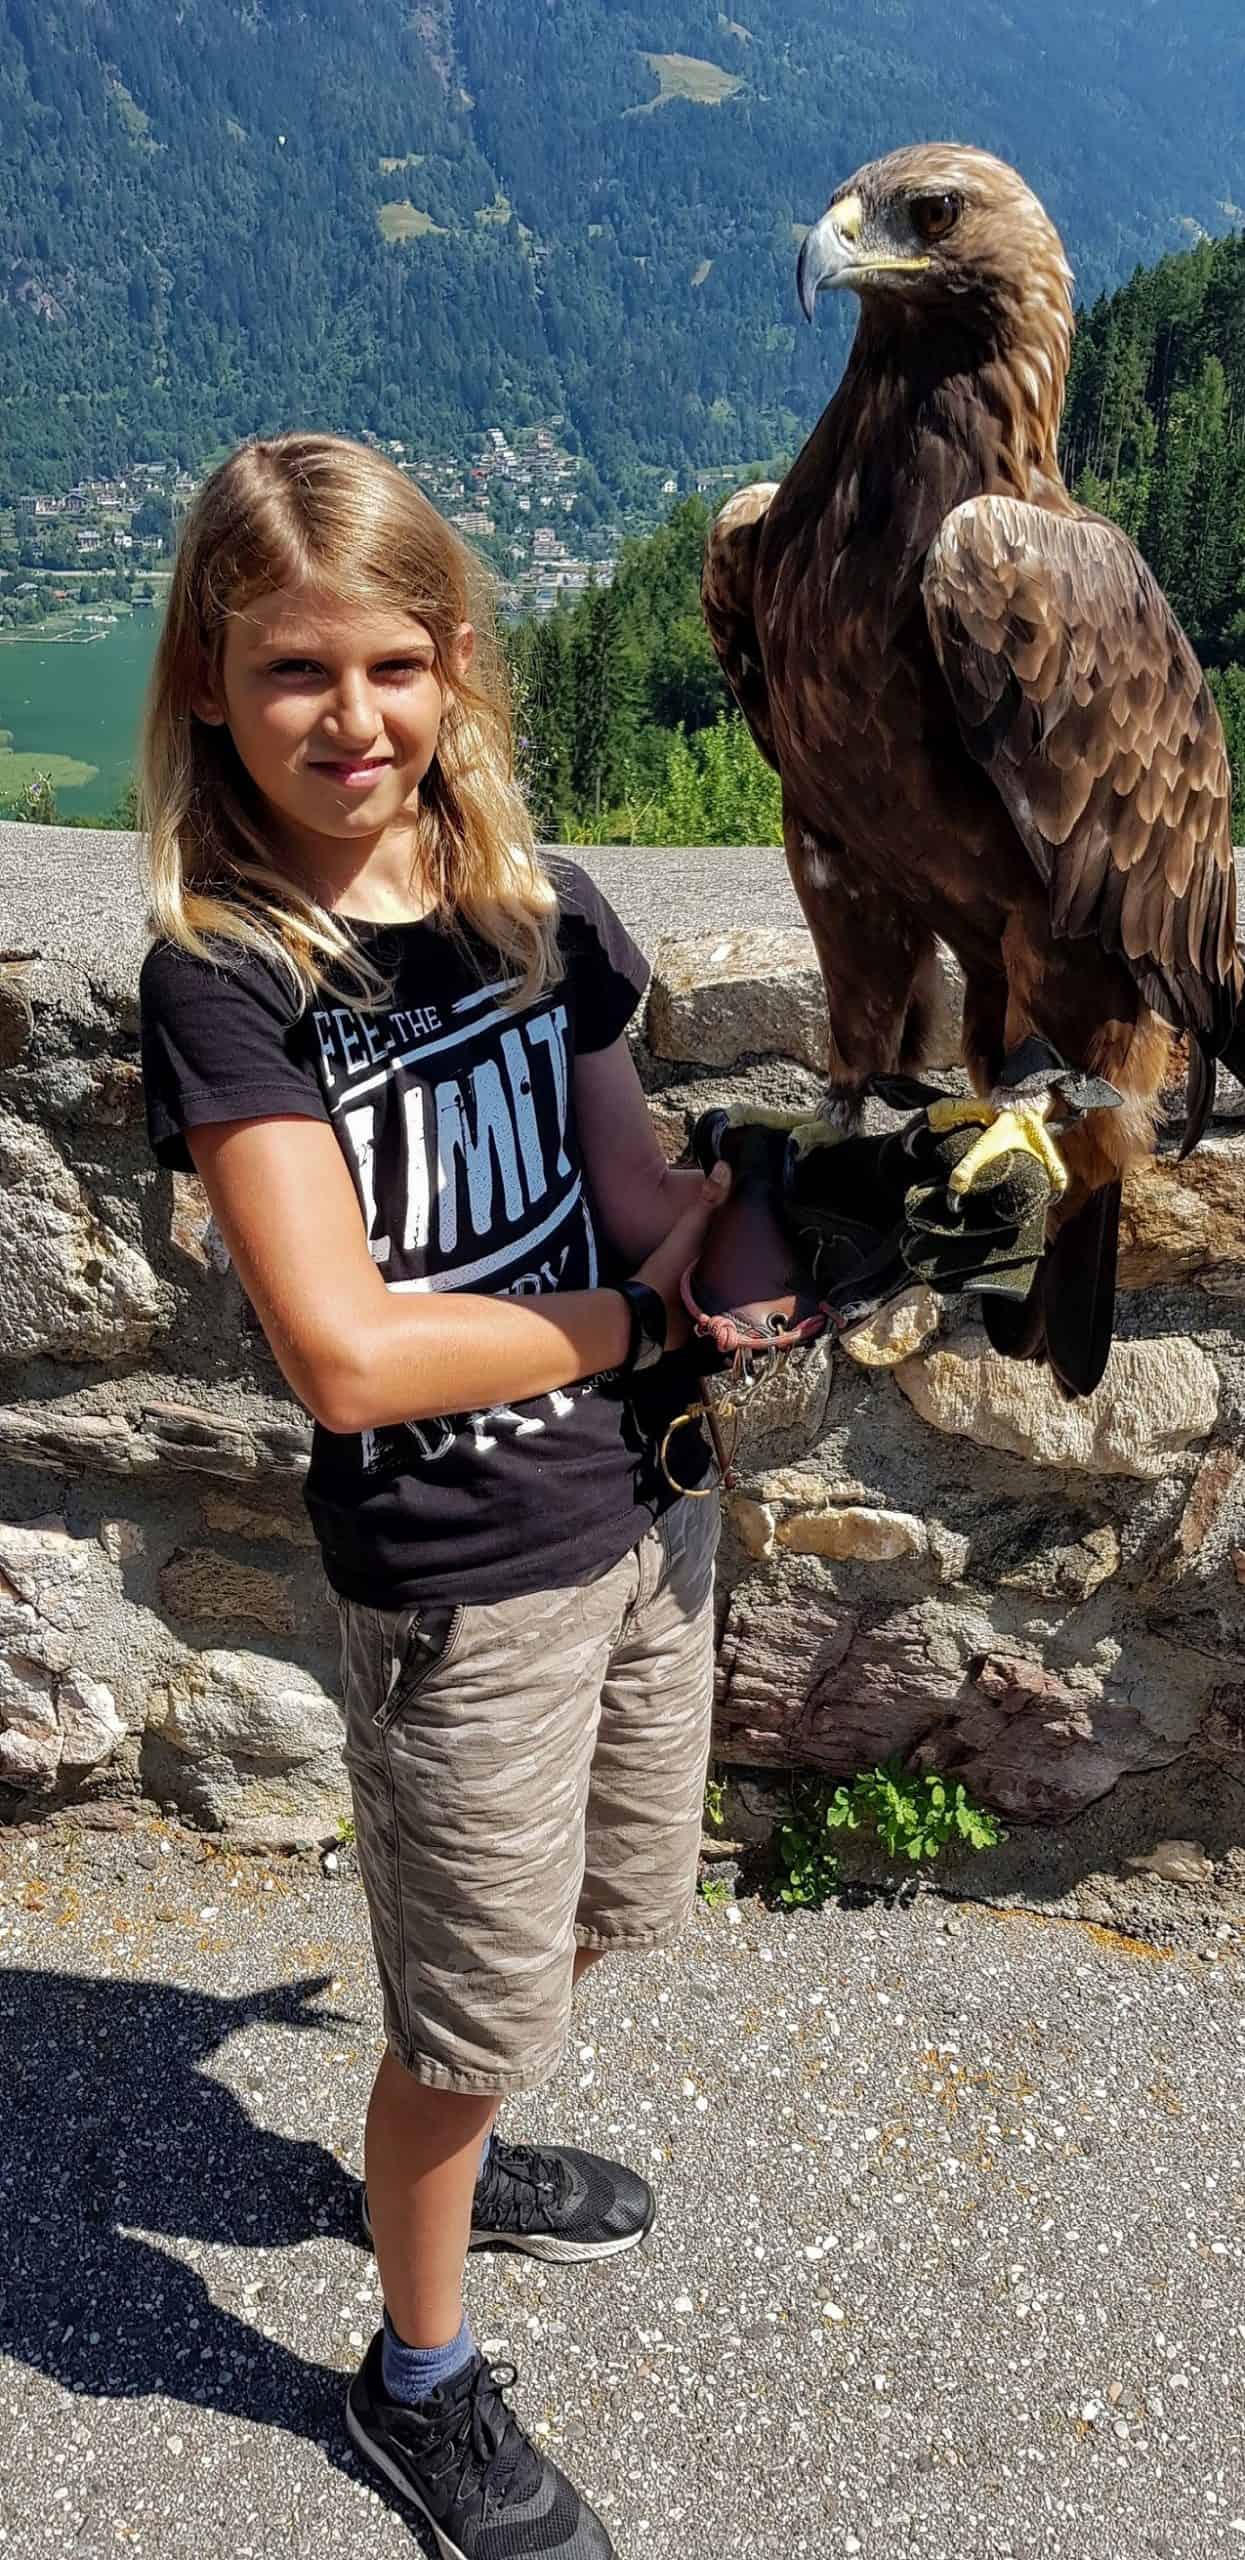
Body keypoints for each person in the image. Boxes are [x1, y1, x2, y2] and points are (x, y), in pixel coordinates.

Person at [137, 431, 730, 2560]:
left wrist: (771, 1252)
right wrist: (632, 1329)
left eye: (391, 663)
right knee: (467, 2001)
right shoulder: (228, 974)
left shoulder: (533, 911)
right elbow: (348, 1351)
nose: (351, 719)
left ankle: (441, 2138)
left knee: (586, 1915)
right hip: (462, 1575)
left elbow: (644, 1202)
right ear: (211, 680)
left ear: (454, 660)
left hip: (647, 1529)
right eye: (293, 670)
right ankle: (418, 2368)